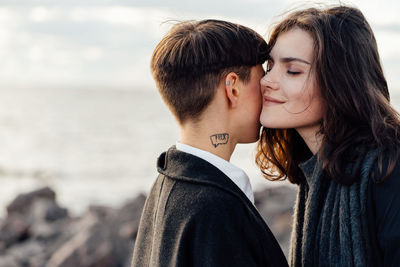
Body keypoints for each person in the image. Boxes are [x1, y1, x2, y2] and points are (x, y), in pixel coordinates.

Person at [131, 19, 288, 267]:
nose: (269, 89)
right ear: (233, 88)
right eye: (262, 78)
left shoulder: (165, 184)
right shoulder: (215, 209)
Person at [256, 5, 400, 266]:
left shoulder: (389, 166)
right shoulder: (314, 172)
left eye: (293, 71)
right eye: (270, 65)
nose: (267, 81)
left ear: (340, 82)